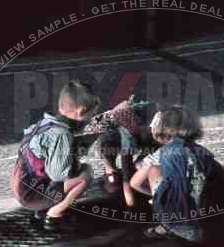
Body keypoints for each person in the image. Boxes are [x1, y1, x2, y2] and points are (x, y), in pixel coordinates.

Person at [10, 80, 100, 230]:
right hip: (30, 196)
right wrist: (76, 156)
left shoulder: (47, 122)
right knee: (86, 174)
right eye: (92, 114)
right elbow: (58, 175)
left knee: (70, 170)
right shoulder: (62, 135)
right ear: (81, 111)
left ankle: (41, 210)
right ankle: (54, 214)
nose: (92, 118)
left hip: (22, 187)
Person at [133, 106, 224, 243]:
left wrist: (157, 196)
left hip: (179, 220)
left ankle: (167, 226)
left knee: (154, 170)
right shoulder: (202, 151)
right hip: (209, 212)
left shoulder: (161, 153)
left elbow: (135, 183)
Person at [80, 95, 155, 207]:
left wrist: (127, 183)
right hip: (122, 123)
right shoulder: (112, 124)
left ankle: (113, 172)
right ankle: (111, 170)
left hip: (138, 126)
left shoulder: (142, 129)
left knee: (138, 163)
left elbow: (127, 162)